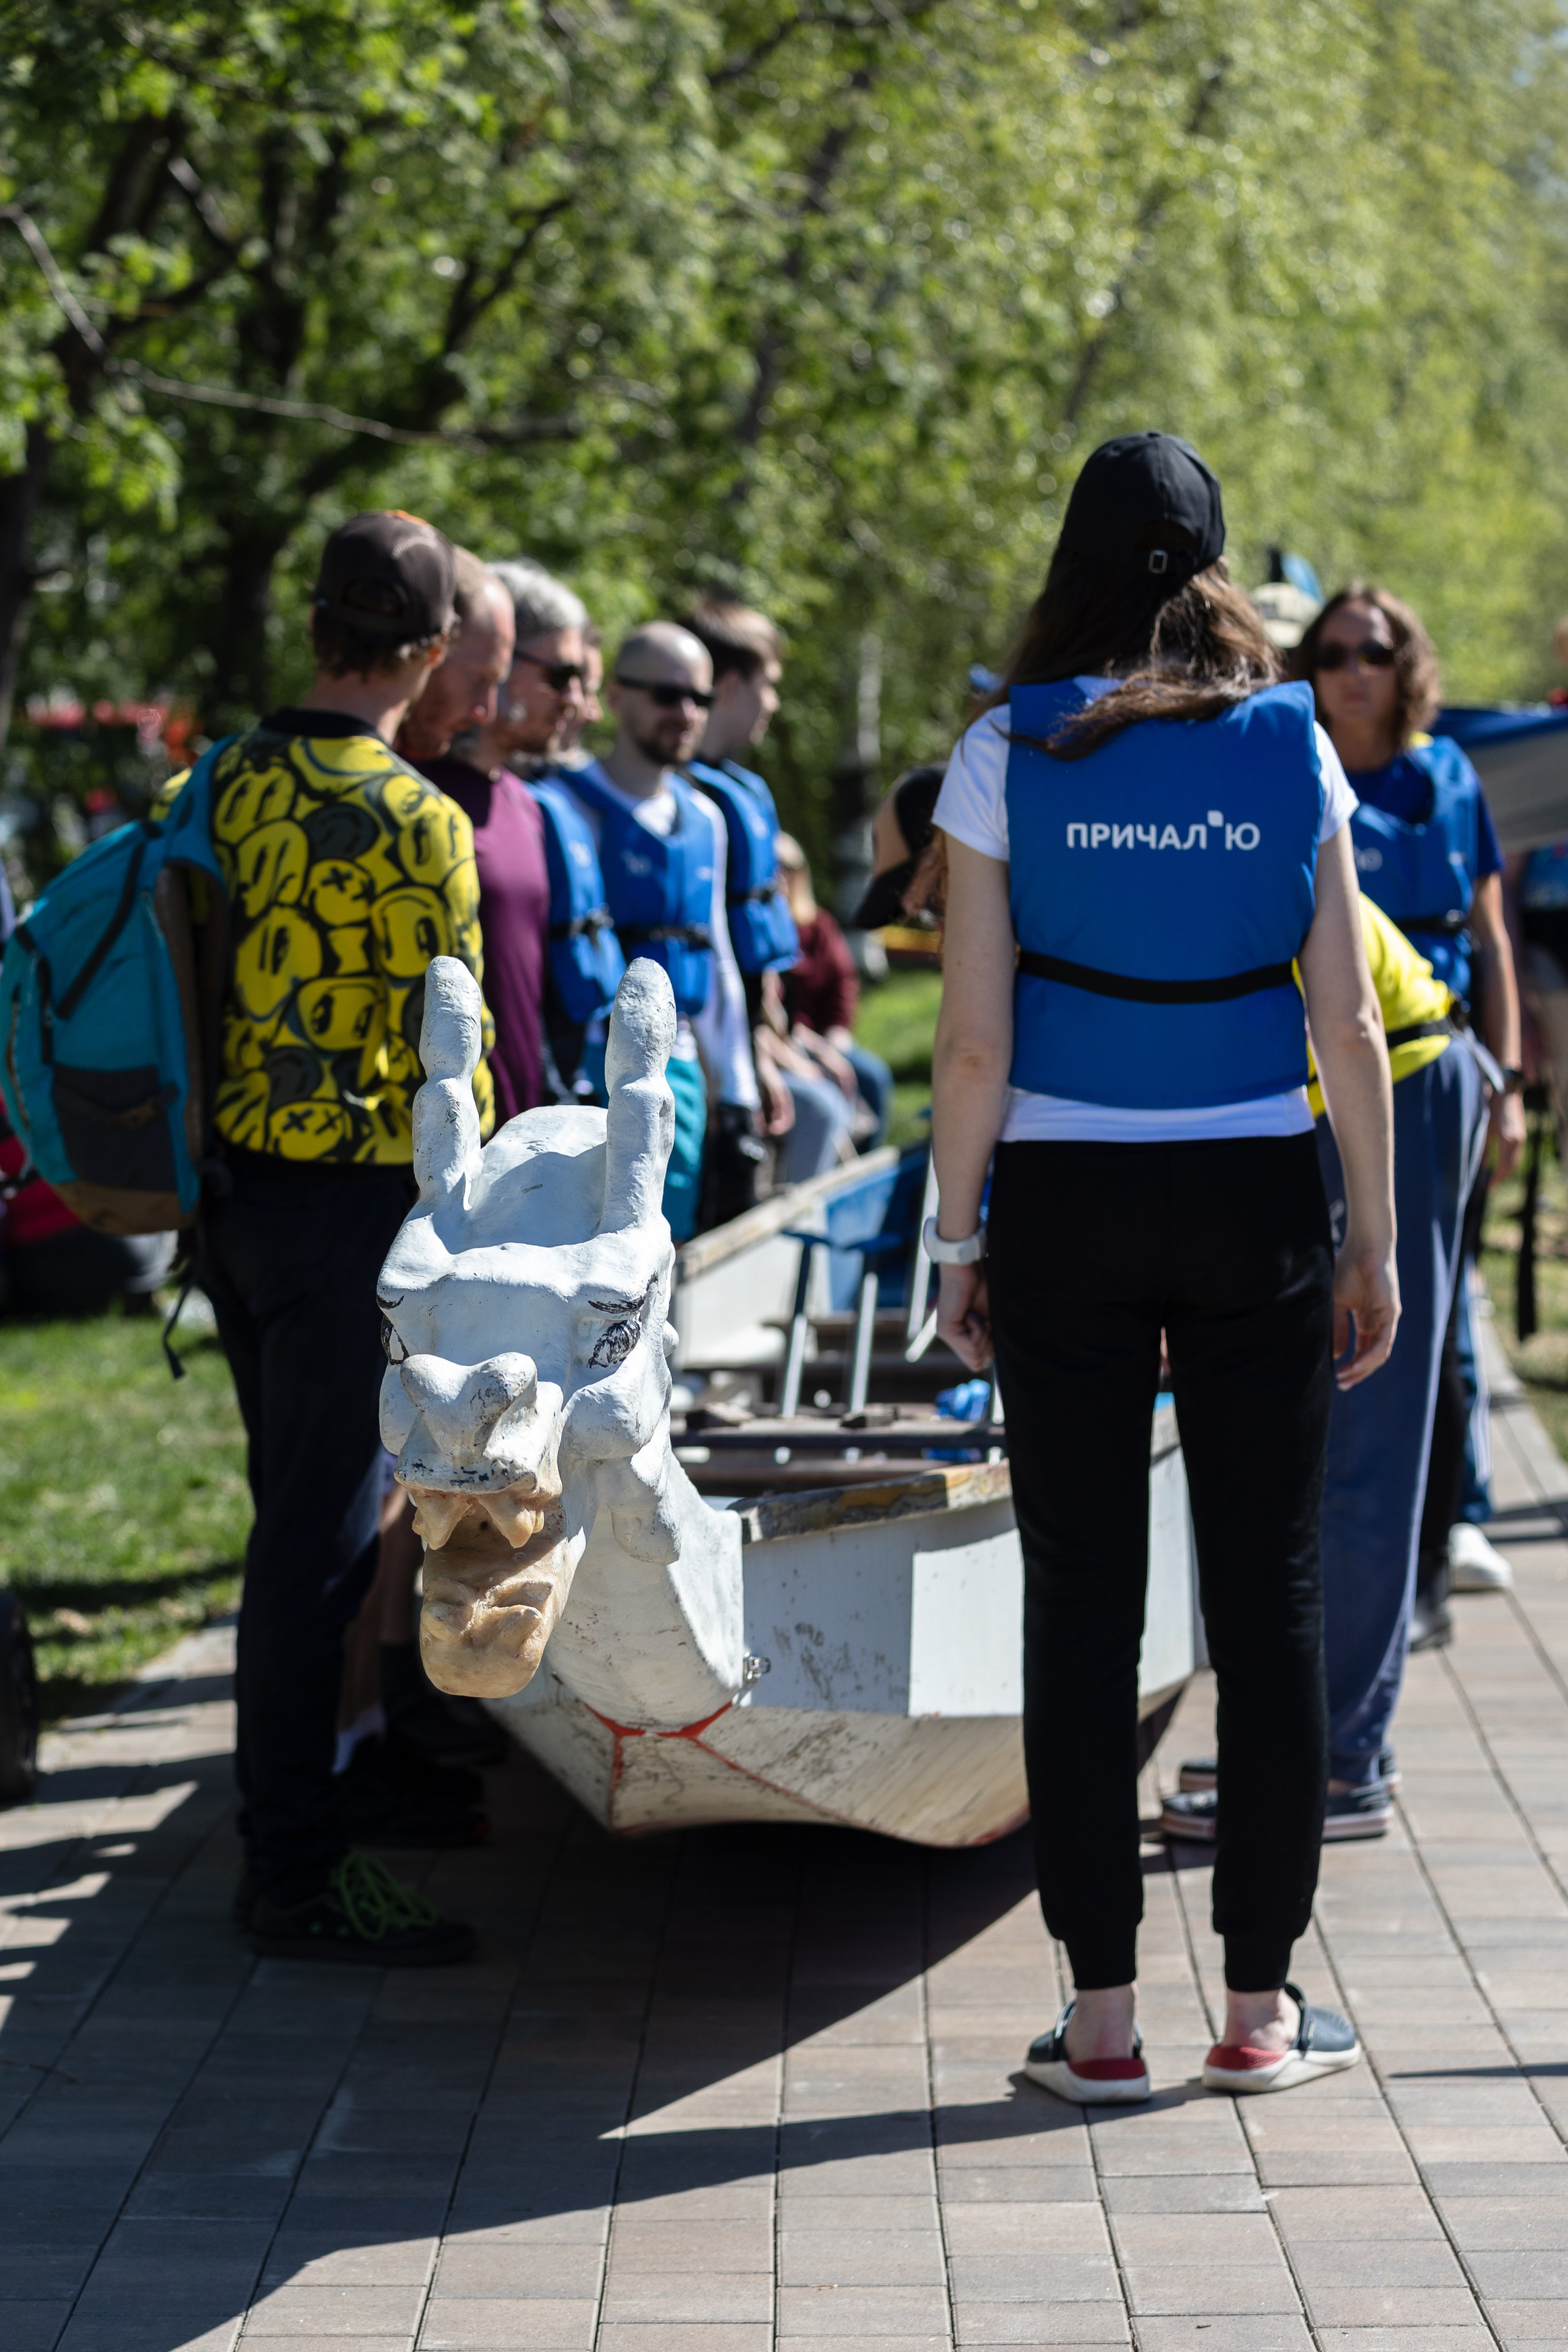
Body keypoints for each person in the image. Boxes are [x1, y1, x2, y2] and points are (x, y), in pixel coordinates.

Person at [932, 432, 1395, 2100]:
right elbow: (1347, 1019)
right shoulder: (1295, 743)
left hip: (1063, 1200)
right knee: (1266, 1597)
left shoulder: (1006, 748)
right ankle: (1262, 2011)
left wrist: (956, 1234)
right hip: (1259, 1194)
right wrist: (1377, 1240)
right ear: (1212, 570)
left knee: (1081, 1599)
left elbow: (971, 1045)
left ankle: (1106, 2020)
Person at [176, 510, 494, 1966]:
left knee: (293, 1515)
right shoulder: (422, 818)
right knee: (312, 1547)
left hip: (230, 1201)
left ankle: (300, 1828)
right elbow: (457, 1048)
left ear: (315, 628)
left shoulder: (214, 784)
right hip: (356, 1210)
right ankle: (292, 1872)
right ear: (428, 655)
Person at [1164, 895, 1487, 1841]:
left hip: (1395, 1078)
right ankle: (1318, 1742)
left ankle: (1334, 1767)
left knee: (1357, 1446)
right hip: (1380, 1072)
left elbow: (1344, 1023)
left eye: (919, 890)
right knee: (1331, 1446)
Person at [1294, 586, 1523, 1644]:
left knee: (1433, 1327)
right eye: (1335, 652)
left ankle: (1432, 1560)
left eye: (1373, 653)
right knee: (1348, 1335)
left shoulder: (1445, 776)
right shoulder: (1297, 764)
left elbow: (1491, 936)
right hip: (1323, 1081)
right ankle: (1348, 1580)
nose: (1353, 670)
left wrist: (1509, 1081)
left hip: (1436, 1068)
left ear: (1403, 665)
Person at [540, 622, 760, 1243]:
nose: (685, 713)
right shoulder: (562, 804)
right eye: (667, 695)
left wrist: (736, 1091)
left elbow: (714, 961)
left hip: (680, 1072)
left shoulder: (707, 820)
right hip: (585, 1070)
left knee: (668, 1247)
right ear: (615, 695)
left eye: (700, 699)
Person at [680, 600, 800, 1219]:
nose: (774, 704)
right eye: (769, 685)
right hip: (715, 1053)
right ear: (730, 686)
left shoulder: (739, 791)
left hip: (751, 1040)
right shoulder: (698, 804)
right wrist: (752, 1063)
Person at [776, 833, 893, 1148]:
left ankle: (867, 1166)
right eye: (774, 866)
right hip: (788, 1039)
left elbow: (843, 981)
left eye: (788, 866)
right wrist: (816, 1047)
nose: (780, 875)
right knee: (827, 1092)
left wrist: (837, 1032)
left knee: (873, 1078)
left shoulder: (818, 926)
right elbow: (774, 1006)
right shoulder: (765, 933)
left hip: (825, 1035)